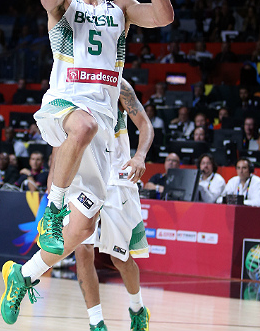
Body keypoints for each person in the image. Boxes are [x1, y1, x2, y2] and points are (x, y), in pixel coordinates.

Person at [0, 0, 174, 326]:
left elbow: (166, 17)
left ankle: (22, 275)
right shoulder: (65, 6)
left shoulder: (122, 11)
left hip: (96, 129)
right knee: (83, 128)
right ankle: (53, 208)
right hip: (64, 106)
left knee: (81, 231)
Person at [74, 78, 154, 330]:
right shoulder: (71, 82)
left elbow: (145, 125)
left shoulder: (119, 84)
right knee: (82, 250)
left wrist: (140, 156)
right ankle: (96, 323)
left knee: (119, 258)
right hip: (83, 179)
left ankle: (137, 308)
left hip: (115, 179)